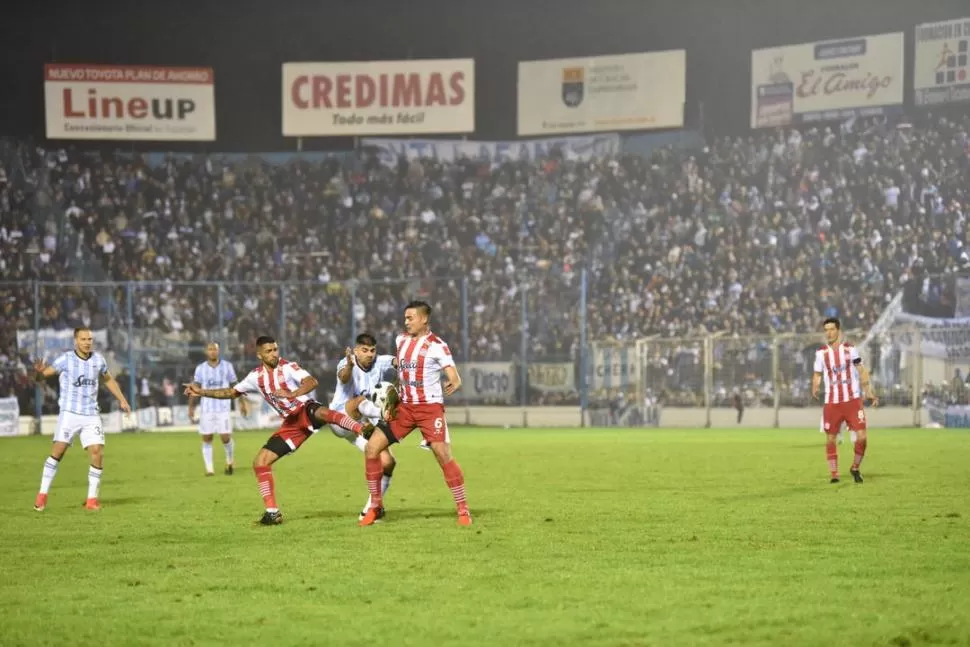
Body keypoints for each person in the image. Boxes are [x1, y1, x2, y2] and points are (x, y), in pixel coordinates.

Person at [183, 335, 373, 525]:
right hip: (291, 425)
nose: (274, 354)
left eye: (275, 349)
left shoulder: (288, 367)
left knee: (323, 412)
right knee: (260, 462)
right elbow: (231, 392)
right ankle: (272, 512)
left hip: (304, 409)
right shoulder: (255, 377)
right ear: (259, 355)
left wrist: (293, 393)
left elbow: (311, 382)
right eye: (269, 351)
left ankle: (360, 428)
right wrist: (200, 392)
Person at [359, 301, 471, 527]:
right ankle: (375, 507)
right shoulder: (401, 341)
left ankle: (463, 509)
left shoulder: (437, 345)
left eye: (410, 318)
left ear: (424, 319)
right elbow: (402, 373)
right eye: (405, 318)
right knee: (372, 448)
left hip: (429, 409)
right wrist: (394, 397)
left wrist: (454, 382)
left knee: (442, 455)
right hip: (405, 409)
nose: (406, 322)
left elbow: (453, 374)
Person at [32, 327, 132, 512]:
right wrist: (38, 372)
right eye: (83, 339)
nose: (87, 342)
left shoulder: (98, 360)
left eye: (90, 339)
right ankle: (42, 495)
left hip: (91, 414)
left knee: (97, 452)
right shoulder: (66, 359)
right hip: (69, 413)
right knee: (58, 452)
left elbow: (108, 379)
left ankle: (92, 500)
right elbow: (42, 376)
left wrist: (122, 400)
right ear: (75, 341)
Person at [329, 333, 400, 520]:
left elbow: (398, 361)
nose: (369, 354)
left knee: (388, 462)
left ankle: (371, 509)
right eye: (364, 350)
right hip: (341, 419)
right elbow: (343, 377)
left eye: (372, 350)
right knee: (360, 400)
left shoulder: (380, 362)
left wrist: (405, 369)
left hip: (362, 425)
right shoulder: (347, 363)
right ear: (355, 351)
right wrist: (350, 365)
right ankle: (382, 413)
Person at [811, 317, 878, 484]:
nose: (829, 333)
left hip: (852, 400)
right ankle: (834, 474)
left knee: (862, 437)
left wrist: (868, 392)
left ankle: (855, 467)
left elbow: (861, 371)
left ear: (838, 331)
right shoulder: (821, 353)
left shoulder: (850, 350)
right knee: (831, 438)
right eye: (826, 330)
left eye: (832, 329)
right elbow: (817, 373)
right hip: (832, 402)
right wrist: (815, 386)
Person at [188, 342, 248, 476]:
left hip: (223, 408)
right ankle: (209, 469)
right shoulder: (200, 368)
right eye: (210, 349)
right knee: (207, 437)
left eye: (214, 349)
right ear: (206, 352)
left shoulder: (227, 366)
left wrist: (241, 402)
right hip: (206, 409)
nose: (212, 352)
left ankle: (229, 461)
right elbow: (195, 388)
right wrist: (191, 407)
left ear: (218, 351)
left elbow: (235, 385)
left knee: (225, 437)